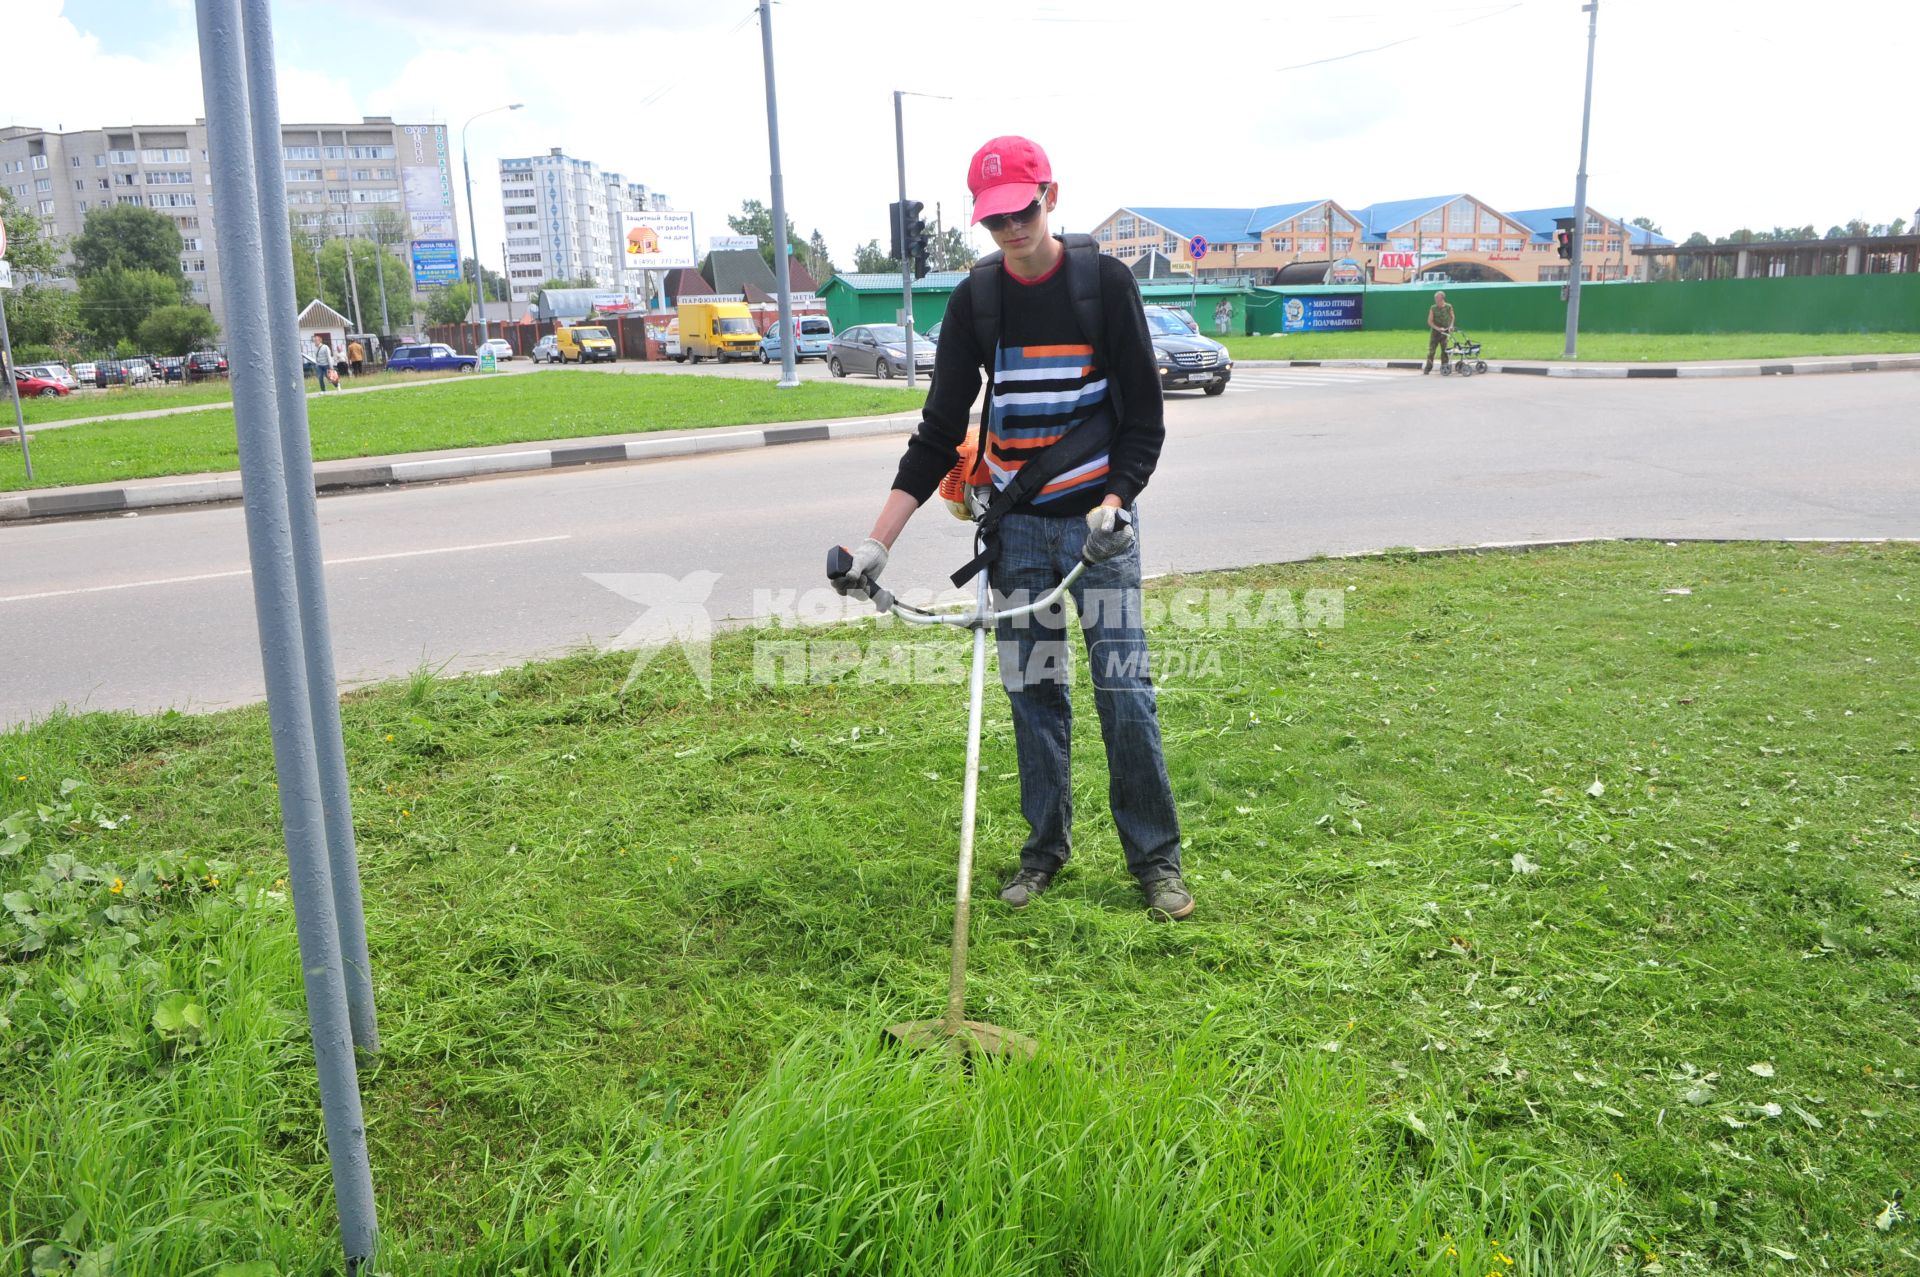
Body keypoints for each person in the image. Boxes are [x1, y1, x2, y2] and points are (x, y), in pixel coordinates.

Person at [834, 135, 1192, 921]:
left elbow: (1144, 421)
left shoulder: (1104, 284)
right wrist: (876, 542)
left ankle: (1156, 861)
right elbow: (936, 436)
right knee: (1035, 696)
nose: (1012, 231)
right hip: (1019, 533)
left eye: (1023, 212)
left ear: (1051, 197)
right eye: (995, 220)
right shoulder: (977, 301)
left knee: (1124, 693)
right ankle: (1045, 852)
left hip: (1100, 530)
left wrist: (1117, 502)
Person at [1424, 290, 1455, 375]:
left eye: (1437, 299)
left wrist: (1451, 326)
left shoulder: (1448, 307)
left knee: (1445, 351)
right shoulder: (1433, 308)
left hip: (1445, 332)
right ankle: (1428, 368)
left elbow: (1452, 317)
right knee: (1431, 351)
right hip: (1435, 333)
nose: (1436, 301)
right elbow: (1429, 321)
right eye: (1435, 299)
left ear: (1442, 299)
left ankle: (1444, 368)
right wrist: (1437, 328)